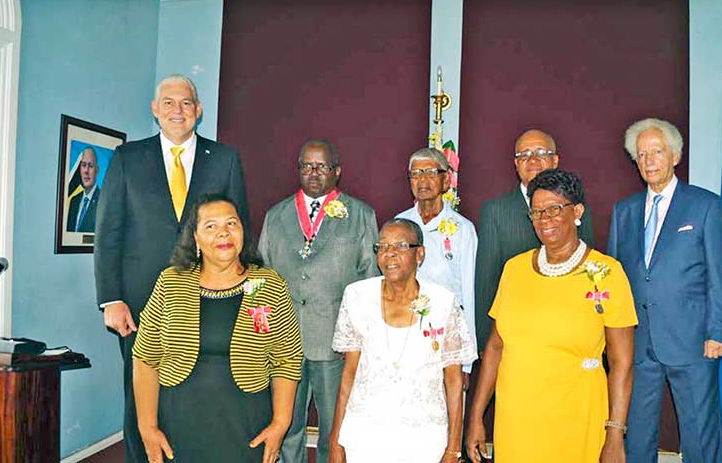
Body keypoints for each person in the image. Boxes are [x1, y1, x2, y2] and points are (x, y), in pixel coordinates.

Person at [94, 74, 249, 463]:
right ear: (154, 109)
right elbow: (108, 232)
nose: (177, 110)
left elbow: (238, 227)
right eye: (168, 102)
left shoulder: (225, 159)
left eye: (185, 103)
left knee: (194, 391)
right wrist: (111, 300)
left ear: (198, 110)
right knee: (139, 395)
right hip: (138, 304)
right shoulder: (128, 158)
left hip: (207, 297)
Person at [466, 169, 636, 463]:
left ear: (577, 211)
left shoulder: (606, 273)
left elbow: (622, 363)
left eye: (555, 210)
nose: (544, 220)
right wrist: (476, 417)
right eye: (536, 212)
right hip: (517, 418)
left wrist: (615, 433)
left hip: (576, 415)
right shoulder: (514, 269)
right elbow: (495, 347)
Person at [132, 194, 302, 463]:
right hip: (179, 423)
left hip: (246, 425)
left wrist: (280, 424)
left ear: (243, 232)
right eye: (210, 226)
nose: (223, 232)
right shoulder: (170, 282)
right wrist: (147, 427)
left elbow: (287, 360)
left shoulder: (268, 284)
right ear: (196, 238)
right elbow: (145, 357)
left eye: (231, 224)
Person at [608, 118, 722, 463]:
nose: (648, 161)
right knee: (638, 434)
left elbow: (720, 276)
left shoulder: (705, 206)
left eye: (657, 152)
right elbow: (616, 278)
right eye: (641, 154)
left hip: (694, 342)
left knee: (700, 436)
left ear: (675, 156)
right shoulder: (624, 211)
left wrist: (718, 331)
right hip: (638, 344)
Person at [259, 139, 378, 463]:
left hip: (335, 342)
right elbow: (263, 278)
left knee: (334, 429)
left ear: (337, 172)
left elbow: (370, 281)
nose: (313, 172)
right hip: (283, 342)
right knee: (288, 426)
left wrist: (361, 339)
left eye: (322, 166)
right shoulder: (276, 215)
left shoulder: (360, 214)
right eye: (306, 166)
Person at [328, 218, 477, 462]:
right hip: (365, 435)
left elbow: (453, 381)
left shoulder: (442, 302)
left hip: (424, 439)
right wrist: (336, 439)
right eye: (383, 247)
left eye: (400, 246)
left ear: (420, 254)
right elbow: (349, 373)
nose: (390, 254)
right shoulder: (357, 296)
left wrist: (453, 448)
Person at [474, 129, 594, 350]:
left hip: (568, 331)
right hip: (515, 334)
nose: (532, 160)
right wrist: (485, 343)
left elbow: (588, 267)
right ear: (515, 164)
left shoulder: (575, 206)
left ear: (555, 160)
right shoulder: (496, 210)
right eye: (524, 155)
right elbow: (486, 282)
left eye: (541, 152)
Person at [395, 148, 477, 375]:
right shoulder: (399, 225)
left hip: (446, 335)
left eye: (430, 172)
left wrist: (466, 363)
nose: (422, 180)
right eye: (416, 174)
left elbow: (469, 294)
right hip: (405, 331)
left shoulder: (462, 229)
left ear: (446, 180)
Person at [66, 147, 99, 233]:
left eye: (90, 166)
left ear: (97, 170)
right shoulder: (74, 201)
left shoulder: (104, 201)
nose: (86, 171)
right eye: (83, 165)